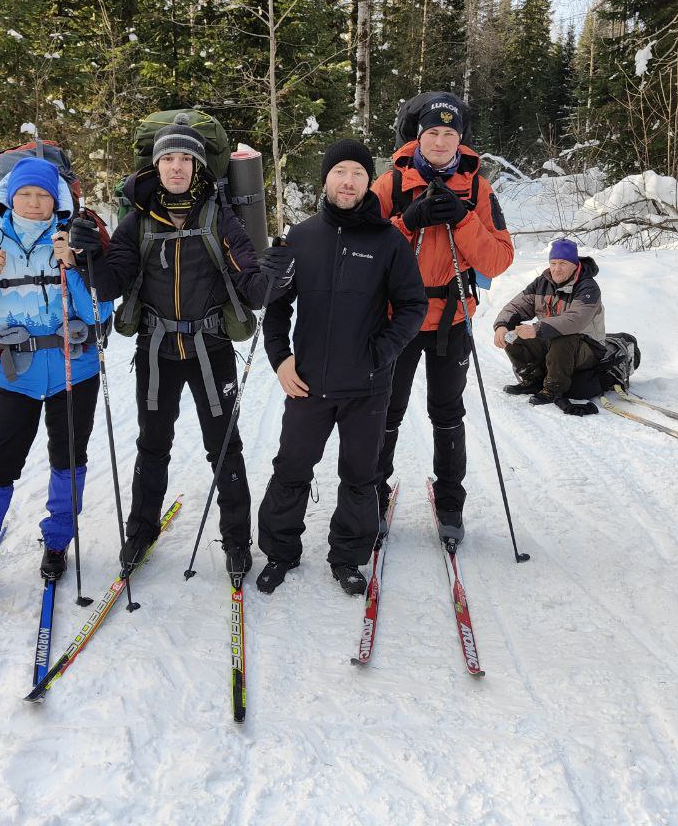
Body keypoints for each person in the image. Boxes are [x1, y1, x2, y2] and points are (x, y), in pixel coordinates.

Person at [70, 114, 277, 578]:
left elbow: (250, 278)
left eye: (186, 158)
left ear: (199, 168)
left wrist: (271, 276)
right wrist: (88, 256)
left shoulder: (218, 215)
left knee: (224, 445)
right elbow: (109, 282)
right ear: (157, 166)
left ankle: (238, 538)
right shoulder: (138, 220)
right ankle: (141, 531)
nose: (178, 166)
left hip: (212, 349)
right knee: (153, 444)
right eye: (169, 158)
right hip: (156, 350)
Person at [256, 139, 426, 595]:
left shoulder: (389, 240)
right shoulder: (301, 237)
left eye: (357, 172)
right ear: (326, 179)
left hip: (366, 388)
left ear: (369, 181)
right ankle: (279, 551)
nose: (347, 181)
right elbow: (276, 306)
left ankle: (348, 557)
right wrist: (280, 358)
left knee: (360, 475)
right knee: (291, 468)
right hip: (306, 383)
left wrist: (381, 353)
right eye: (339, 172)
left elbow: (412, 305)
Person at [0, 156, 114, 606]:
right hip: (14, 375)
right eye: (25, 194)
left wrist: (74, 267)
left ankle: (57, 541)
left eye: (42, 195)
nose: (34, 203)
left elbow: (101, 311)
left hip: (75, 371)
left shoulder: (72, 238)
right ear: (10, 197)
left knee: (68, 459)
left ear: (55, 198)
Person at [371, 96, 514, 543]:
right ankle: (371, 496)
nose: (439, 141)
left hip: (452, 319)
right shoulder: (389, 185)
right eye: (432, 132)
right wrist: (407, 221)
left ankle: (451, 502)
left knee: (448, 413)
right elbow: (361, 251)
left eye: (449, 134)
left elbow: (499, 258)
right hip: (397, 319)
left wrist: (463, 218)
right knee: (385, 412)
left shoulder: (478, 190)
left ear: (460, 140)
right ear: (417, 136)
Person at [493, 238, 603, 417]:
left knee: (563, 336)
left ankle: (554, 388)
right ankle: (532, 379)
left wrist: (536, 329)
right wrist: (502, 326)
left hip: (588, 347)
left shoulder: (587, 287)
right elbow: (515, 307)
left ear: (575, 265)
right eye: (553, 263)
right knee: (513, 335)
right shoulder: (542, 282)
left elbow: (575, 321)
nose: (556, 268)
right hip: (551, 340)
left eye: (563, 263)